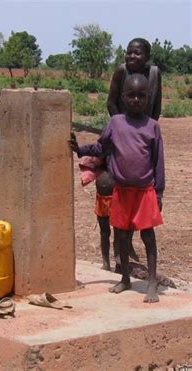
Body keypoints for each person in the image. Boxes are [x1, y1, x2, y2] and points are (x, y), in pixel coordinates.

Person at [70, 73, 165, 303]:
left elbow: (158, 161)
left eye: (141, 96)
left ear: (148, 97)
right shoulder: (115, 123)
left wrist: (159, 192)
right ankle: (125, 278)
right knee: (122, 235)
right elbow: (101, 147)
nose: (135, 100)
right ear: (123, 97)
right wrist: (80, 149)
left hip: (144, 192)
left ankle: (152, 281)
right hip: (121, 190)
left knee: (148, 235)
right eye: (130, 95)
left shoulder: (152, 127)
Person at [95, 37, 162, 271]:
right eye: (129, 53)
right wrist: (123, 126)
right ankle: (116, 253)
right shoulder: (120, 71)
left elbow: (157, 108)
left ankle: (128, 247)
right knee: (109, 187)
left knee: (142, 195)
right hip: (119, 133)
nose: (132, 57)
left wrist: (142, 127)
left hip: (142, 132)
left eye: (137, 54)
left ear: (147, 56)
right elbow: (111, 103)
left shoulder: (154, 73)